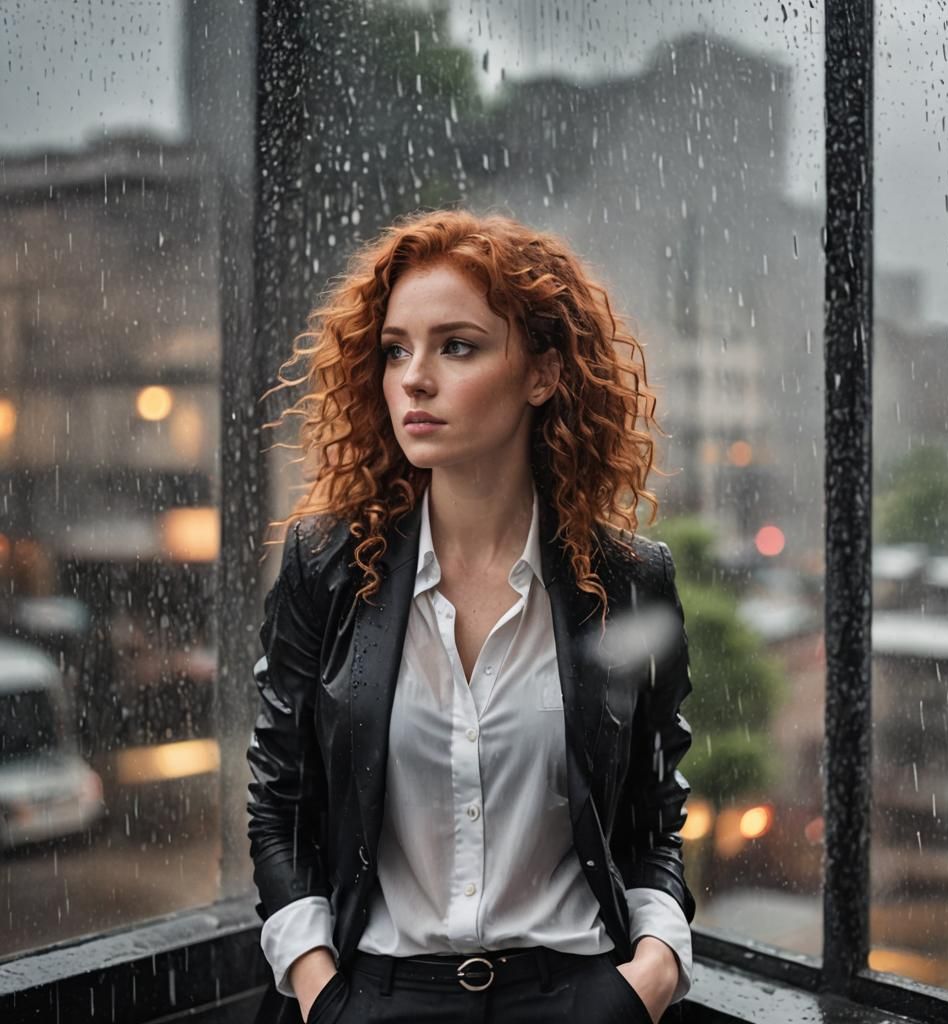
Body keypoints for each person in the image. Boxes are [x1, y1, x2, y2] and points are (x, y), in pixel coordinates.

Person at [247, 208, 696, 1024]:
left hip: (577, 997)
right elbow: (280, 804)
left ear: (544, 374)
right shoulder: (326, 568)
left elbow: (653, 812)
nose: (415, 378)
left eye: (457, 346)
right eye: (395, 350)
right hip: (374, 997)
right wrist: (320, 992)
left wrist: (651, 976)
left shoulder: (627, 578)